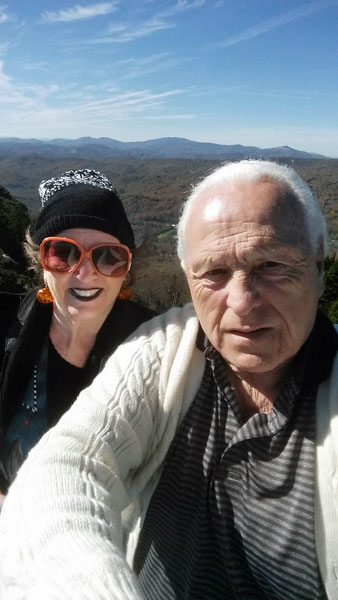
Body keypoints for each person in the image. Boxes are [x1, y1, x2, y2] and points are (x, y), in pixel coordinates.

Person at [0, 159, 337, 600]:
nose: (242, 301)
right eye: (214, 272)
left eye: (271, 264)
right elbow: (68, 465)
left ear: (318, 265)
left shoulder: (146, 333)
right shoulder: (164, 352)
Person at [0, 168, 155, 504]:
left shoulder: (160, 348)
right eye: (63, 253)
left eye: (108, 256)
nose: (84, 272)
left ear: (127, 269)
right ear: (40, 260)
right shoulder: (6, 325)